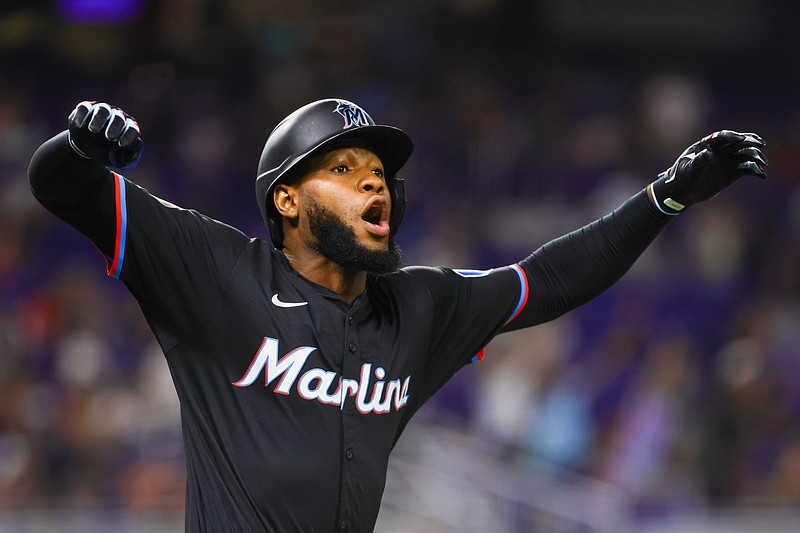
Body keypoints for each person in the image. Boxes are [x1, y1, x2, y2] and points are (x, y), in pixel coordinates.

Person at [27, 99, 767, 532]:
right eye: (343, 169)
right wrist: (80, 147)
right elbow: (62, 187)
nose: (373, 182)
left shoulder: (420, 308)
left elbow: (549, 278)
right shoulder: (216, 272)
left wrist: (663, 198)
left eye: (379, 173)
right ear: (286, 200)